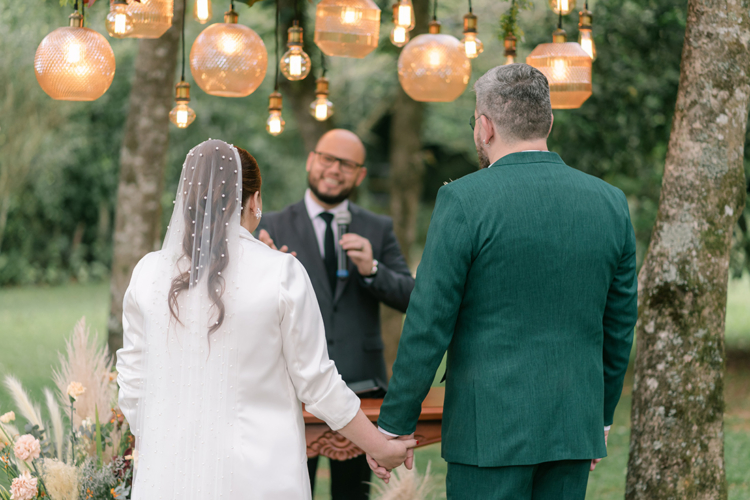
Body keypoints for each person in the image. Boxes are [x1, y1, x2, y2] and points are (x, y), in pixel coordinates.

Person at [371, 64, 638, 499]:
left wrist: (395, 426)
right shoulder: (610, 202)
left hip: (488, 431)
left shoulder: (463, 200)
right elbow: (620, 322)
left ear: (484, 126)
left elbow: (428, 322)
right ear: (548, 121)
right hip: (573, 424)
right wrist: (600, 416)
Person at [116, 139, 416, 500]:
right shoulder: (281, 272)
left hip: (167, 476)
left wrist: (173, 444)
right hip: (260, 476)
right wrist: (378, 445)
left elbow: (133, 388)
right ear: (255, 201)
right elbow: (317, 384)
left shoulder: (147, 272)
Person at [257, 129, 415, 499]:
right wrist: (267, 270)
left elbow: (411, 296)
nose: (334, 169)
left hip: (362, 389)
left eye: (347, 164)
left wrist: (372, 269)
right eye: (328, 159)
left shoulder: (378, 227)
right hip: (291, 389)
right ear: (311, 160)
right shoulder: (271, 225)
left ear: (359, 175)